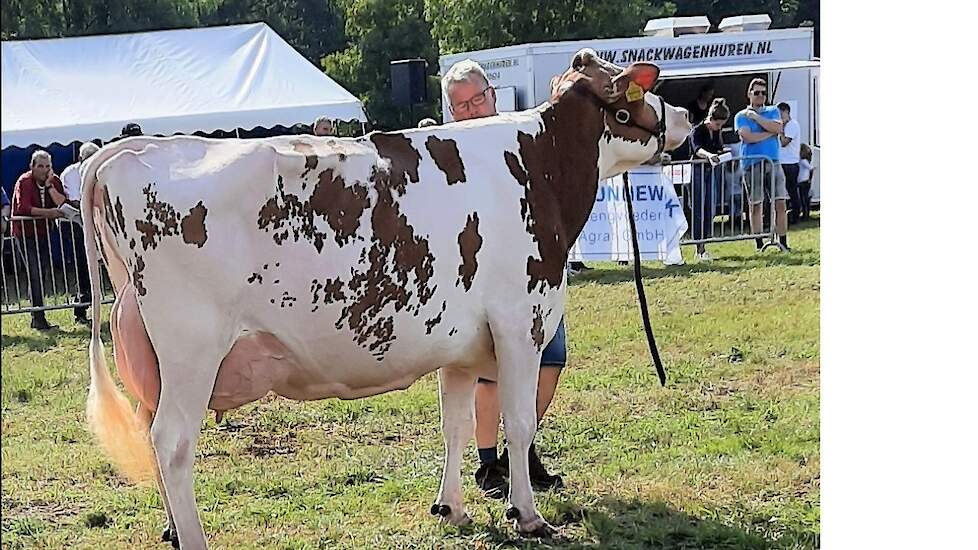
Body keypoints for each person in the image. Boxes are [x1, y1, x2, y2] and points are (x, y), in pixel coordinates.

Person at [442, 59, 564, 498]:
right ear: (451, 112)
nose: (474, 109)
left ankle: (522, 450)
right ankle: (489, 464)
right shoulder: (448, 152)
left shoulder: (521, 134)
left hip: (534, 268)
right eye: (463, 105)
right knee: (491, 373)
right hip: (480, 277)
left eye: (478, 98)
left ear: (492, 94)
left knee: (550, 362)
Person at [11, 150, 69, 330]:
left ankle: (37, 314)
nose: (44, 170)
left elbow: (62, 202)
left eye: (47, 166)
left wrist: (51, 185)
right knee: (34, 273)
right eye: (40, 166)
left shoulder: (53, 180)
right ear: (32, 167)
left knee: (41, 273)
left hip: (43, 233)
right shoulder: (24, 181)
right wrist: (49, 214)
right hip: (24, 233)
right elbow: (24, 208)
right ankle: (38, 318)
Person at [734, 78, 790, 252]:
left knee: (780, 203)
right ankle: (759, 243)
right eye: (756, 92)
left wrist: (757, 118)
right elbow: (747, 137)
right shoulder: (741, 116)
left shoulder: (772, 110)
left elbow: (779, 128)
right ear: (749, 94)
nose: (760, 96)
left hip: (773, 162)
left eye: (763, 93)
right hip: (752, 163)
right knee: (756, 204)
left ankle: (782, 241)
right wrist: (769, 132)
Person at [58, 142, 101, 323]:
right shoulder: (71, 173)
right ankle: (81, 310)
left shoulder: (101, 170)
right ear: (80, 159)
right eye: (88, 160)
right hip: (76, 225)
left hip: (98, 222)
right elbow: (76, 201)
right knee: (82, 266)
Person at [688, 98, 731, 261]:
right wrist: (709, 155)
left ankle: (704, 243)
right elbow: (697, 148)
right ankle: (699, 247)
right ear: (711, 119)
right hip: (697, 170)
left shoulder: (716, 132)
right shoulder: (697, 130)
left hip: (710, 171)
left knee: (710, 208)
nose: (719, 128)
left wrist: (723, 152)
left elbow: (718, 148)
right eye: (718, 124)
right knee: (699, 208)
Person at [777, 102, 802, 224]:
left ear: (786, 112)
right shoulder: (786, 125)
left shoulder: (792, 125)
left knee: (792, 189)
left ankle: (796, 213)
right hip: (783, 161)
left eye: (781, 114)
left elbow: (784, 142)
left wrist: (781, 129)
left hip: (790, 162)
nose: (779, 117)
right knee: (784, 189)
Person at [798, 143, 816, 220]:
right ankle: (806, 213)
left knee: (804, 198)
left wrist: (809, 179)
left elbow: (811, 169)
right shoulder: (805, 161)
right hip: (804, 180)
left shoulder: (803, 161)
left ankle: (805, 214)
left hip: (803, 181)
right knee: (804, 198)